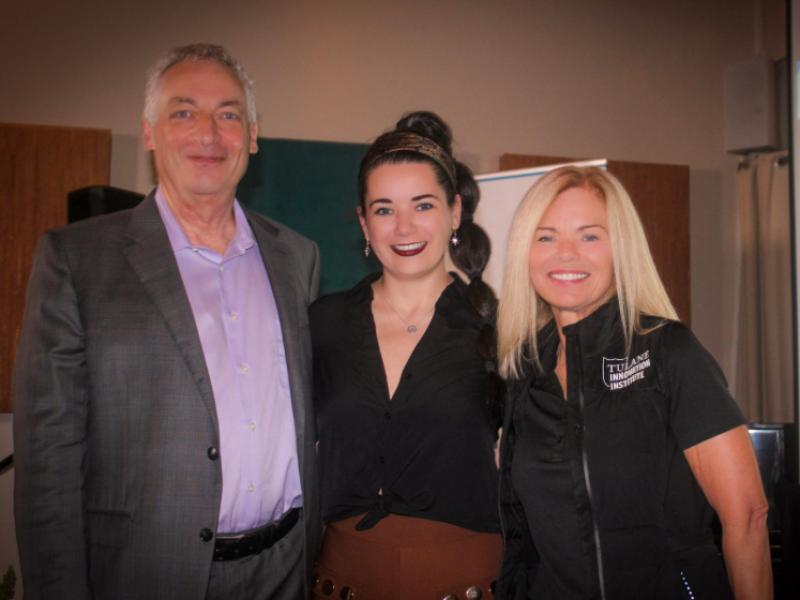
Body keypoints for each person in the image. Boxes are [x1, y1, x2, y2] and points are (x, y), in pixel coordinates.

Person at [13, 43, 320, 600]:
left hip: (285, 570)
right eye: (183, 112)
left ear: (252, 135)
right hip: (145, 576)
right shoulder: (77, 260)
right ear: (149, 131)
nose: (208, 133)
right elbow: (47, 466)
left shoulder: (297, 257)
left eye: (228, 114)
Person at [494, 166, 772, 599]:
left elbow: (748, 516)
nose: (566, 254)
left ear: (620, 248)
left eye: (589, 236)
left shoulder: (668, 351)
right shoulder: (524, 371)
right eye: (545, 236)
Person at [309, 111, 503, 599]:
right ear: (363, 222)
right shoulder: (322, 323)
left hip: (467, 584)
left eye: (422, 205)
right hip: (341, 582)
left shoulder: (503, 328)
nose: (403, 227)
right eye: (383, 209)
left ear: (455, 212)